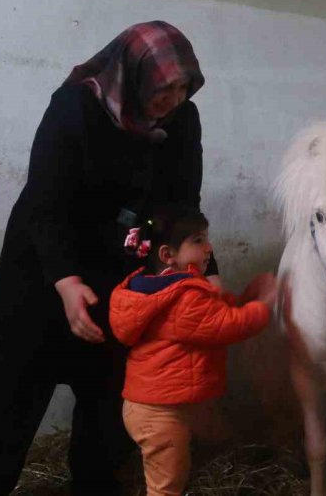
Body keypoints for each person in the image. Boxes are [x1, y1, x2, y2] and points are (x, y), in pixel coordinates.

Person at [0, 22, 213, 496]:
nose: (172, 99)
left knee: (110, 405)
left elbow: (181, 206)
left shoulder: (183, 121)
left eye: (183, 88)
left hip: (120, 277)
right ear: (132, 75)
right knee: (7, 398)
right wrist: (67, 282)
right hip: (43, 272)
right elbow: (44, 202)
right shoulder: (75, 105)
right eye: (163, 87)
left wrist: (197, 274)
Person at [110, 206, 272, 496]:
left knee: (212, 435)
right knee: (165, 486)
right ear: (167, 256)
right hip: (161, 415)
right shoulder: (182, 298)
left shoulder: (155, 288)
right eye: (198, 241)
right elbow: (226, 326)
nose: (209, 247)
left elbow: (214, 314)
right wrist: (264, 306)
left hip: (166, 403)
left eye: (206, 238)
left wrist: (247, 298)